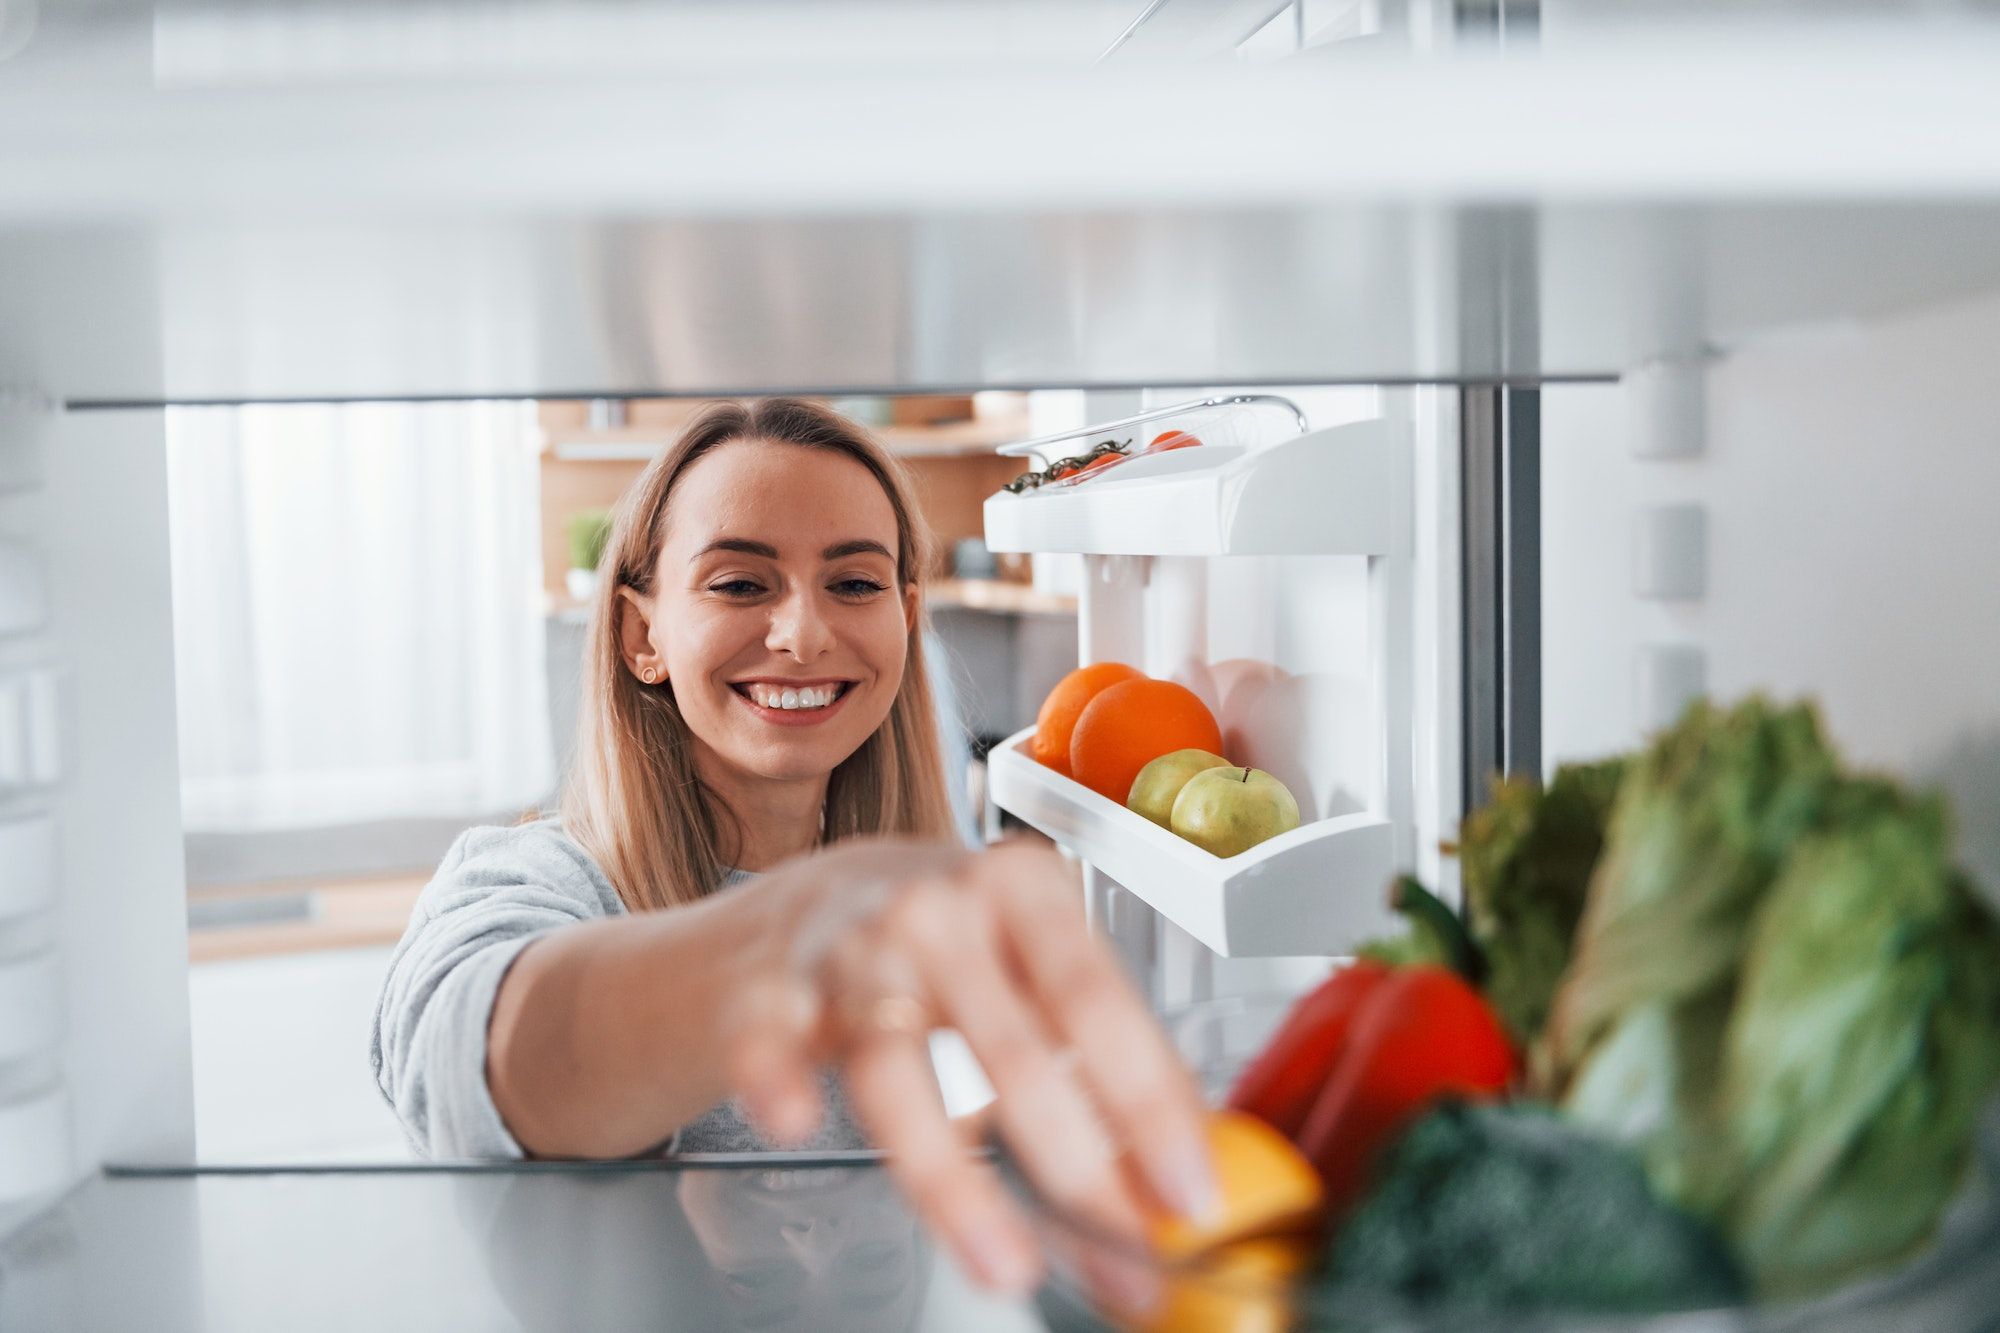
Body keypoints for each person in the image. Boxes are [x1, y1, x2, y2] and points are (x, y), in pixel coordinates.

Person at [371, 398, 1214, 1296]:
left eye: (854, 584)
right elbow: (471, 1060)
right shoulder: (530, 877)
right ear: (641, 633)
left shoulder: (890, 921)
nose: (804, 636)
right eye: (740, 583)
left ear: (905, 619)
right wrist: (787, 934)